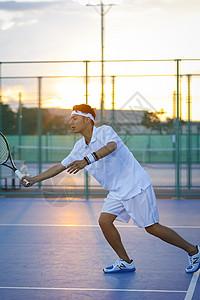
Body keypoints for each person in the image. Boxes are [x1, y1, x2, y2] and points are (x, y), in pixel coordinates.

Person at [21, 104, 200, 274]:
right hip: (117, 190)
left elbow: (111, 147)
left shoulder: (105, 131)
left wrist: (87, 160)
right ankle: (126, 262)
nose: (71, 123)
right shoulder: (79, 147)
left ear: (87, 120)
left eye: (75, 118)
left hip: (135, 184)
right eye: (71, 119)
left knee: (151, 227)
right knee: (105, 221)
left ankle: (194, 251)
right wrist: (33, 179)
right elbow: (60, 166)